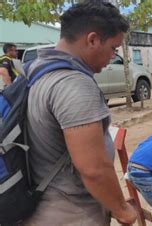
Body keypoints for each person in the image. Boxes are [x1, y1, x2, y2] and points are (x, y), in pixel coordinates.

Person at [23, 2, 137, 225]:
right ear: (92, 39)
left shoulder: (34, 72)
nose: (113, 56)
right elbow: (93, 168)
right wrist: (122, 209)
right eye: (114, 48)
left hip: (39, 205)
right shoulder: (74, 85)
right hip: (70, 212)